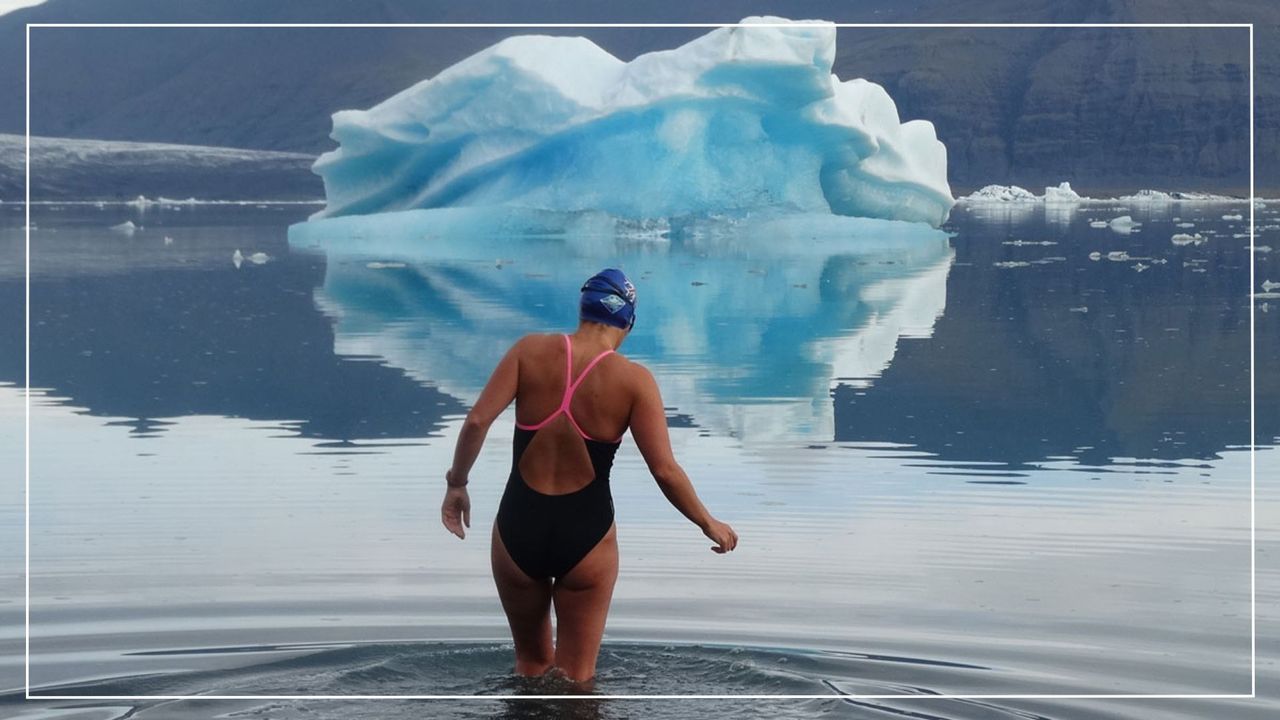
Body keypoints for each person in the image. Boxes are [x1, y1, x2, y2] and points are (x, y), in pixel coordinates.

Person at [441, 268, 738, 687]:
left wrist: (457, 483)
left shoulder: (528, 352)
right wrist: (708, 522)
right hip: (587, 535)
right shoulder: (634, 381)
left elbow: (475, 423)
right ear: (629, 322)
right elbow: (665, 470)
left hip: (517, 527)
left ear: (582, 310)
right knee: (577, 680)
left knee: (529, 667)